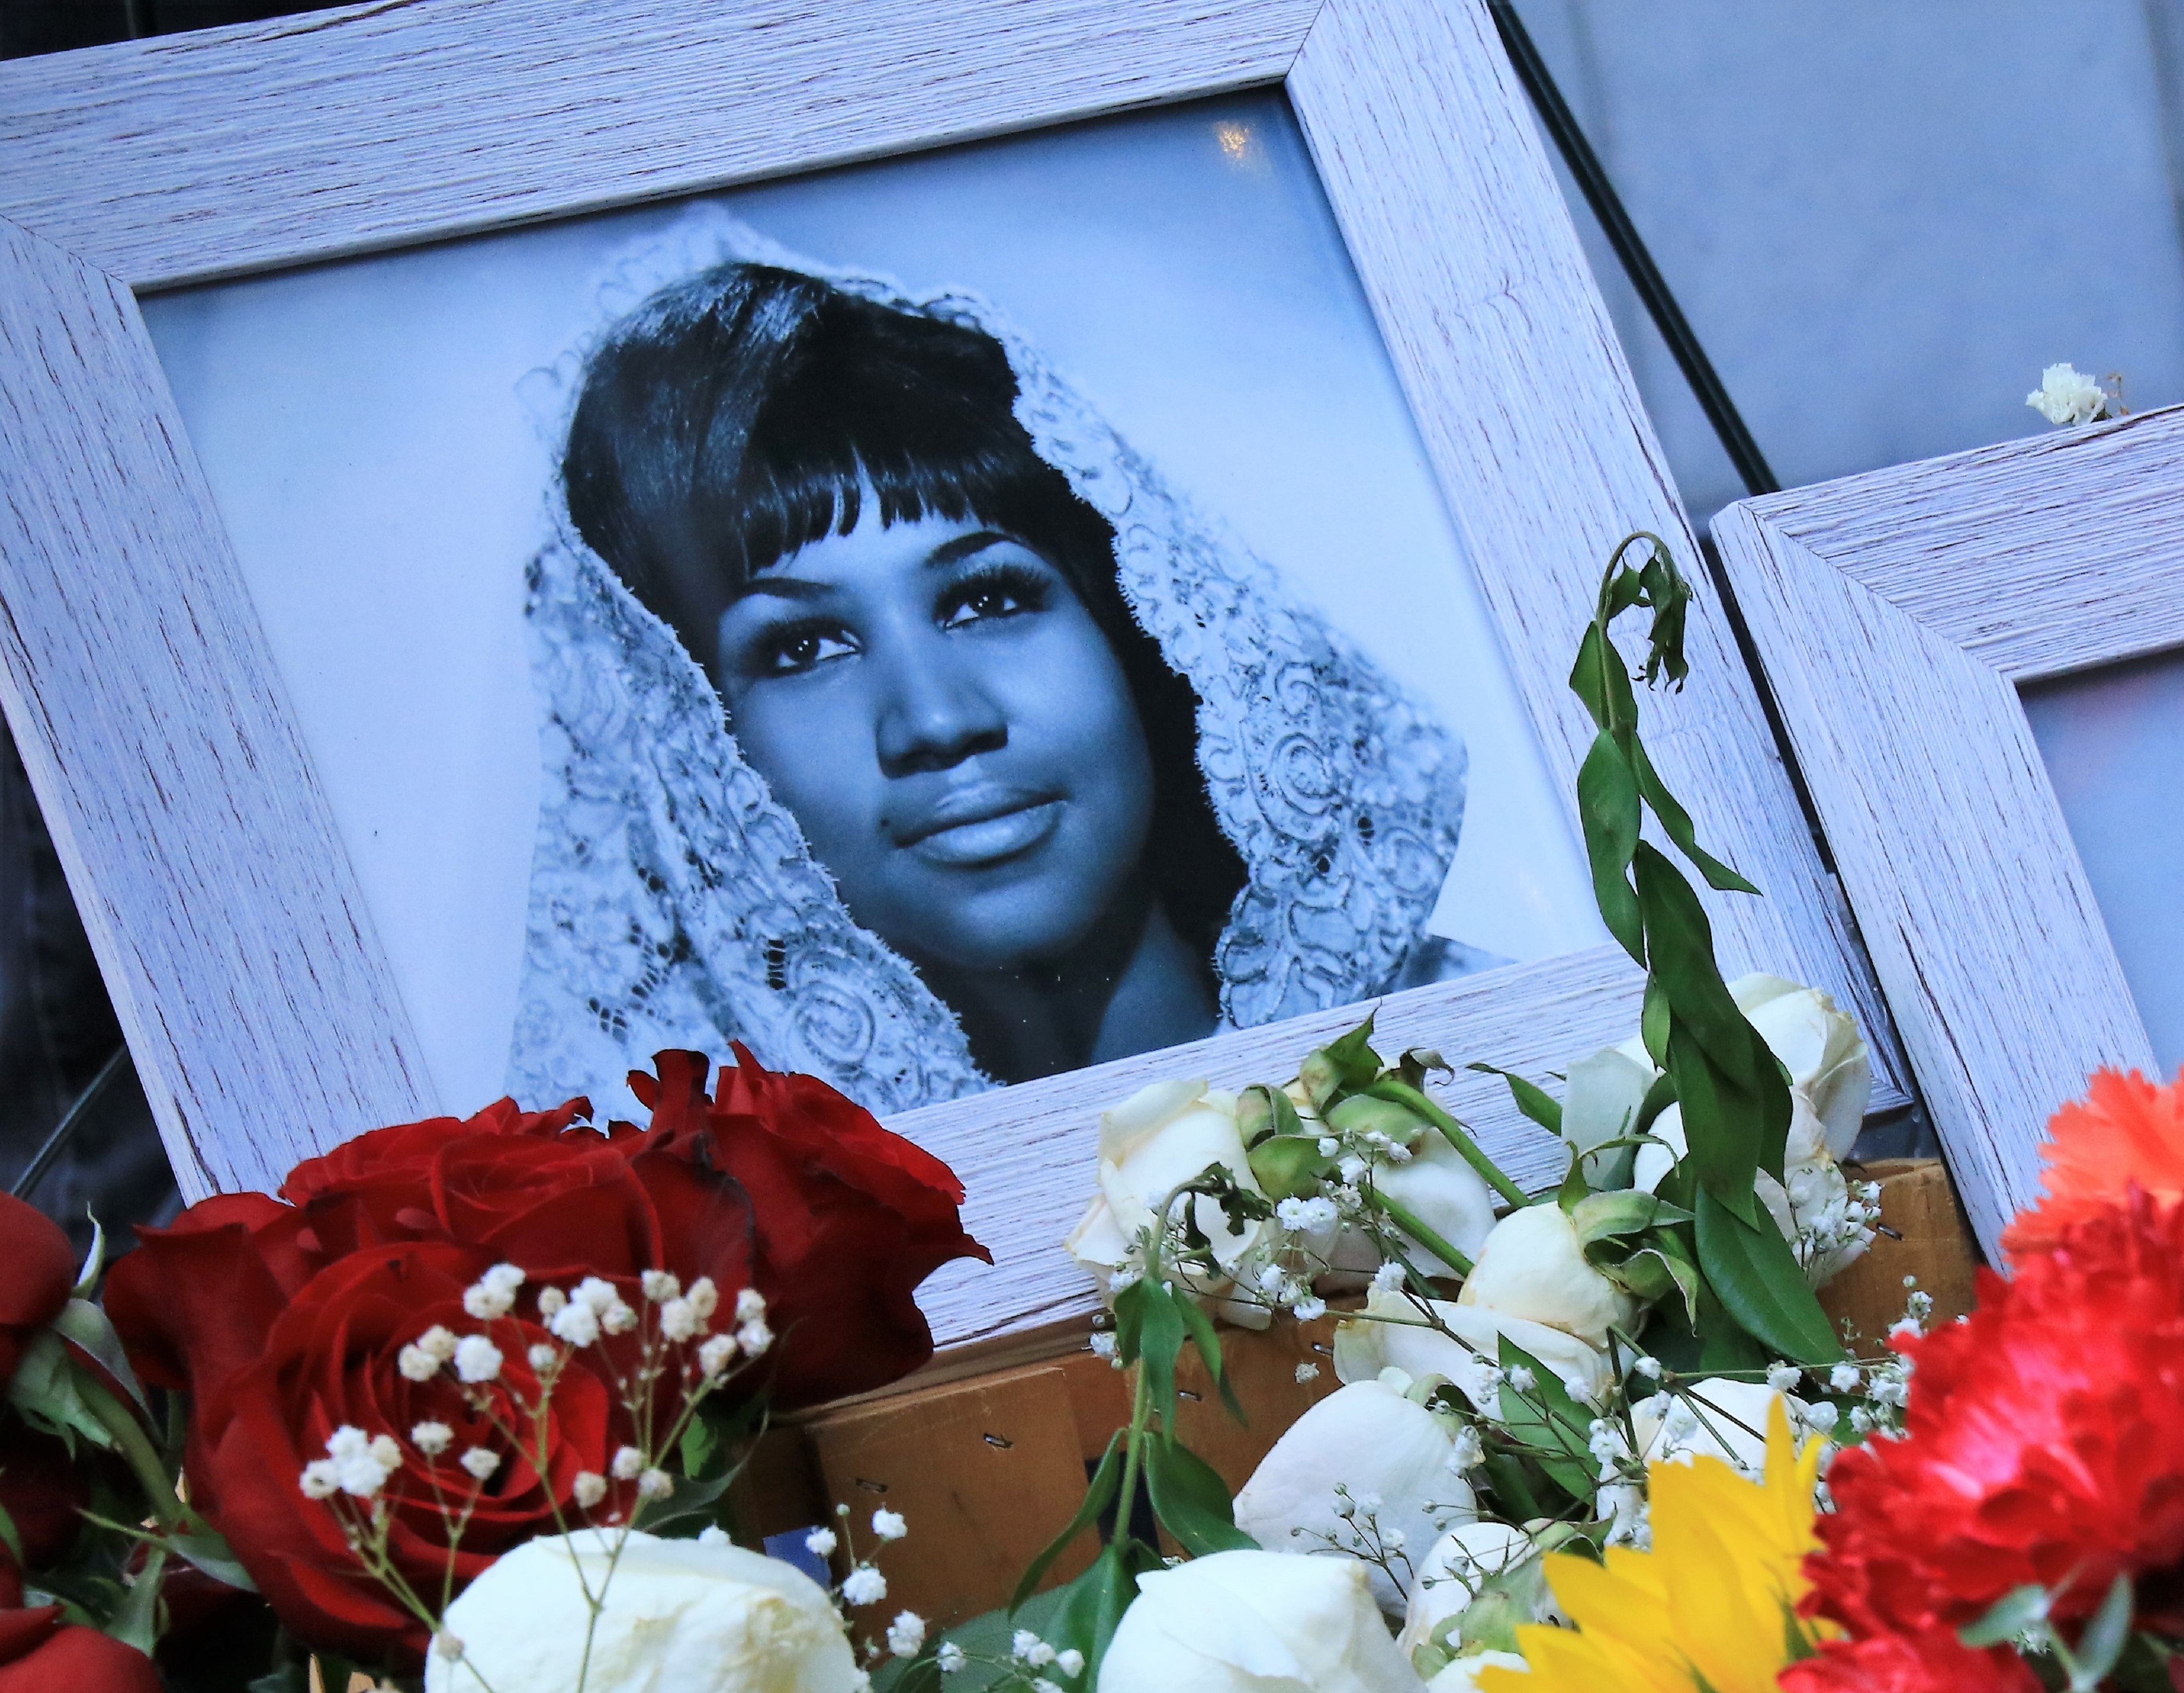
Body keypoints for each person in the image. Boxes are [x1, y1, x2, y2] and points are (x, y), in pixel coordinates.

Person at [513, 212, 1485, 1118]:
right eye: (802, 647)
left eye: (986, 599)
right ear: (704, 763)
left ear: (1136, 627)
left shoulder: (1501, 1075)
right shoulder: (713, 1289)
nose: (935, 719)